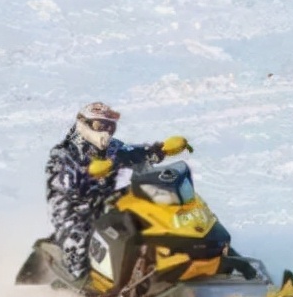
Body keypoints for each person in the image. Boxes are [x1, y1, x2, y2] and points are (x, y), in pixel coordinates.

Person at [45, 102, 187, 283]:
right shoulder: (63, 153)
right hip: (73, 209)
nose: (106, 131)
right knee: (80, 242)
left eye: (110, 126)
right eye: (100, 125)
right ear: (84, 124)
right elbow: (64, 186)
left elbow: (132, 153)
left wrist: (158, 150)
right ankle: (82, 281)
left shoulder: (112, 147)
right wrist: (88, 173)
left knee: (148, 214)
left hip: (106, 200)